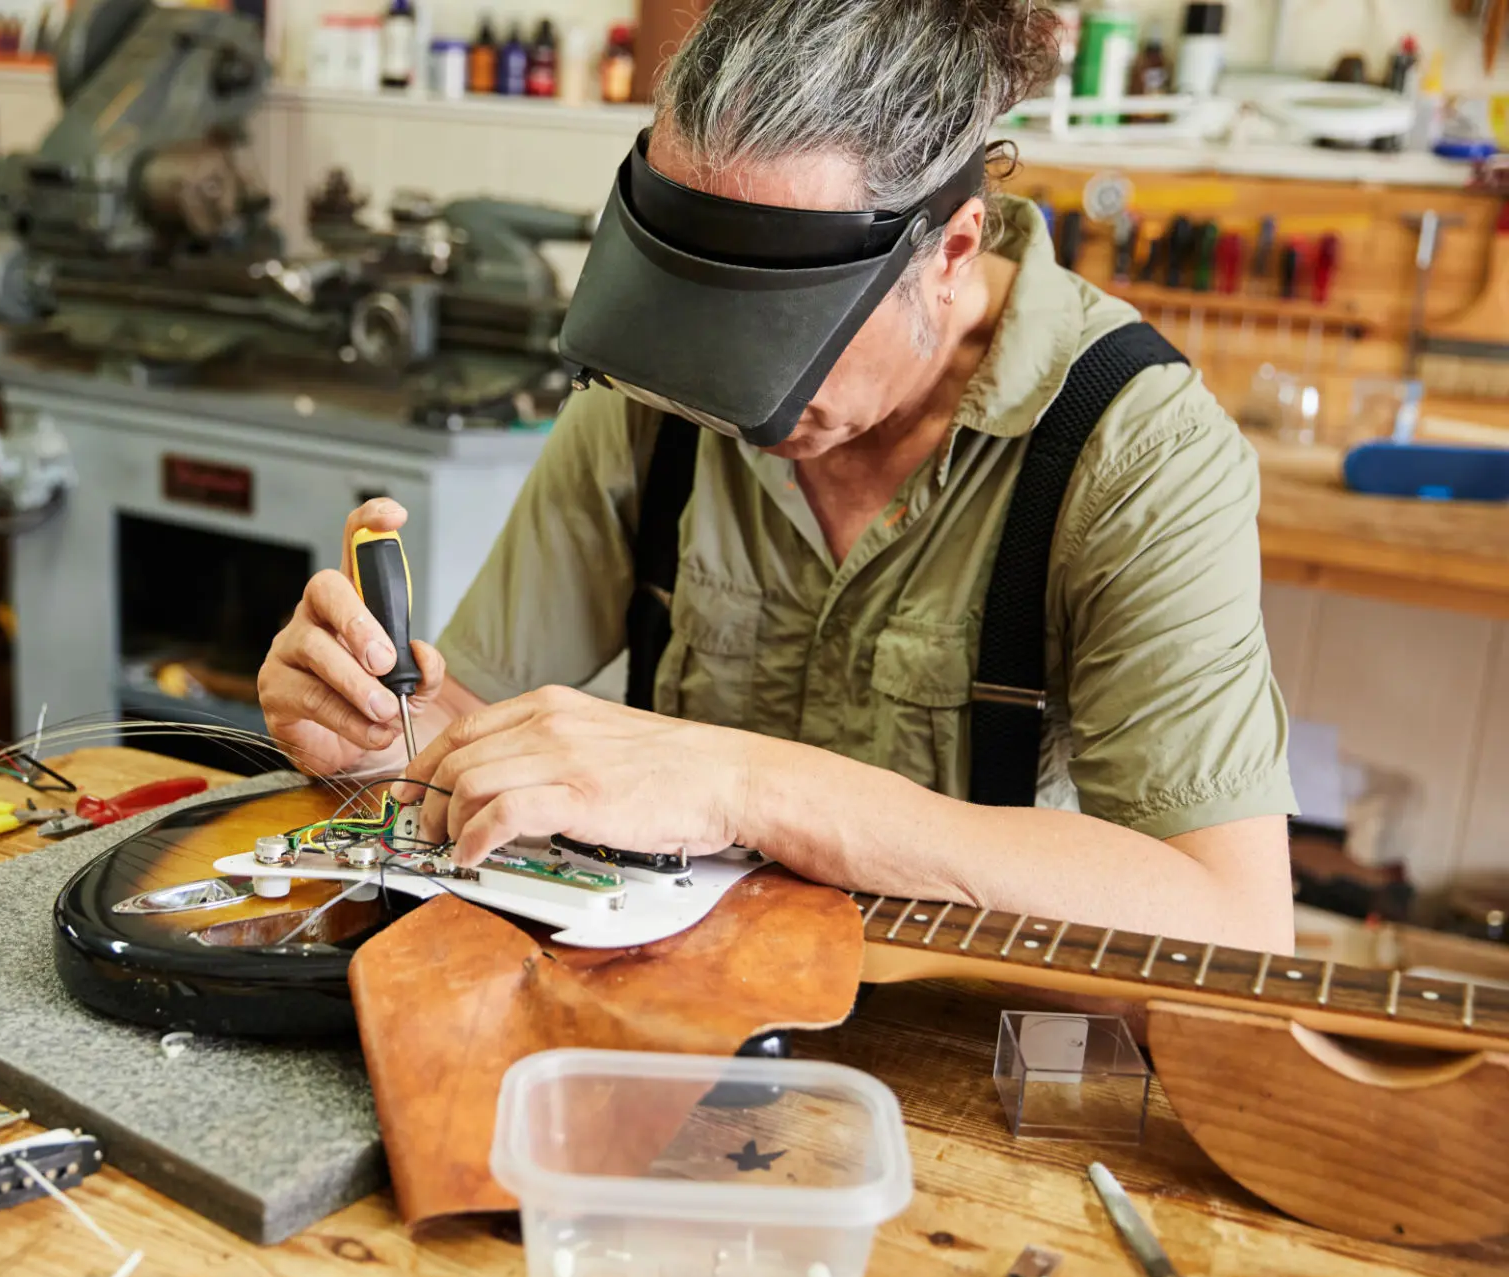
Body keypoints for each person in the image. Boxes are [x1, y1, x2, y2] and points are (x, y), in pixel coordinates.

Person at [259, 0, 1296, 953]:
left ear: (952, 251)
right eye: (698, 317)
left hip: (965, 1048)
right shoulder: (650, 396)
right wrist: (369, 734)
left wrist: (745, 785)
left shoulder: (1134, 452)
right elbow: (459, 725)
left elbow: (1232, 919)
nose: (725, 390)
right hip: (669, 1016)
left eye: (783, 331)